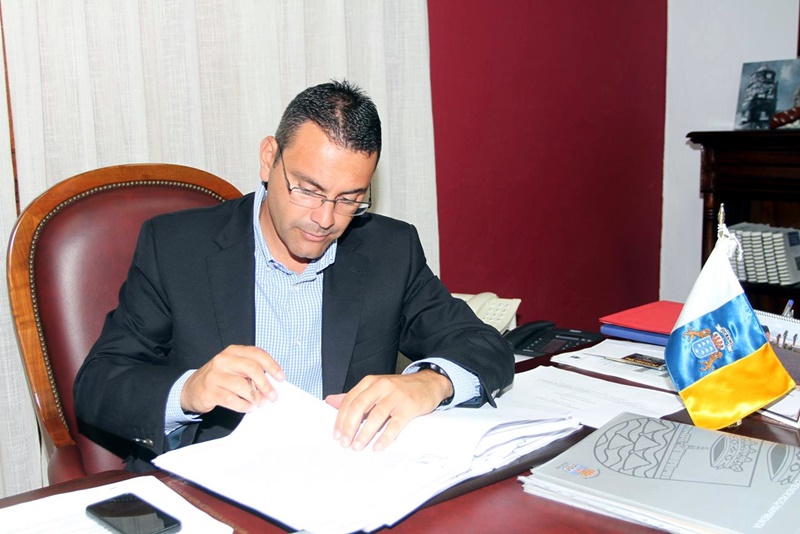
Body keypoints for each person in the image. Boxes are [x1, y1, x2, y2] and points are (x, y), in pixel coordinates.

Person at [74, 80, 514, 470]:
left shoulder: (388, 251)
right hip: (214, 484)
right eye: (307, 189)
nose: (325, 218)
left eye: (349, 199)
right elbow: (98, 384)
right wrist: (190, 389)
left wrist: (429, 383)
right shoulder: (176, 247)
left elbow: (484, 346)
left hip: (344, 481)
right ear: (269, 158)